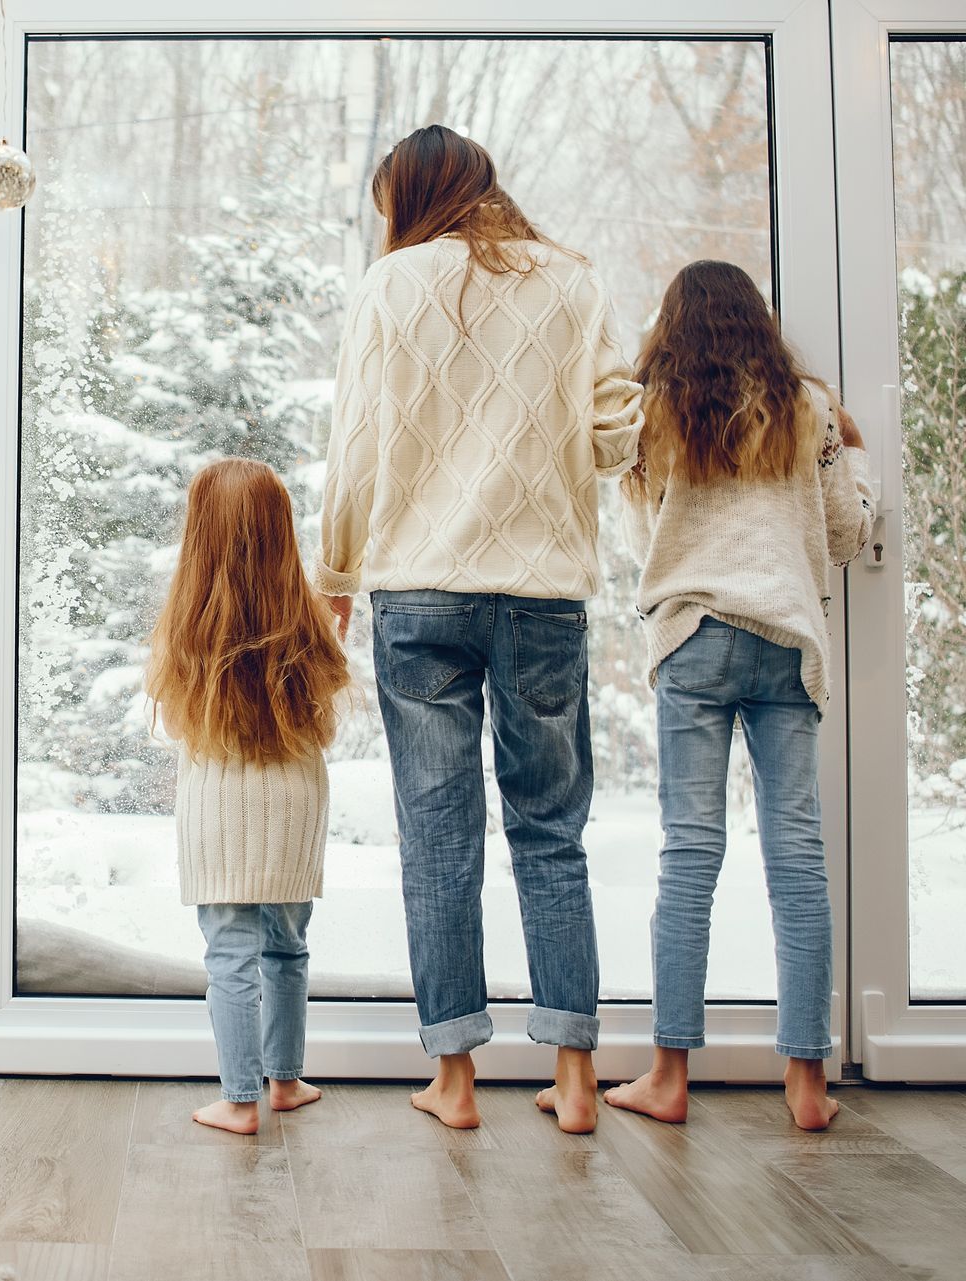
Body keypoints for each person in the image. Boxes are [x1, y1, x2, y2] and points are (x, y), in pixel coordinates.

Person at [317, 125, 644, 1133]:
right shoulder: (573, 283)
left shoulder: (389, 287)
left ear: (409, 201)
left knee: (438, 836)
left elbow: (358, 446)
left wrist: (334, 569)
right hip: (542, 590)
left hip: (416, 591)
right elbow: (612, 436)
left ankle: (454, 1082)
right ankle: (579, 1080)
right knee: (552, 833)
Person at [605, 260, 874, 1131]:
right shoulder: (810, 409)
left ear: (671, 325)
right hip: (787, 637)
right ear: (758, 320)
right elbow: (841, 531)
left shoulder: (656, 410)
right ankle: (805, 1084)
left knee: (691, 853)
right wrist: (857, 462)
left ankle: (669, 1074)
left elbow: (645, 533)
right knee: (796, 855)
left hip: (693, 635)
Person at [145, 457, 353, 1134]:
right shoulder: (306, 617)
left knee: (230, 951)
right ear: (279, 529)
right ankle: (285, 1079)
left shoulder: (186, 622)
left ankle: (239, 1099)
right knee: (287, 945)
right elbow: (329, 686)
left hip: (219, 809)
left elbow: (175, 717)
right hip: (294, 803)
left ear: (199, 532)